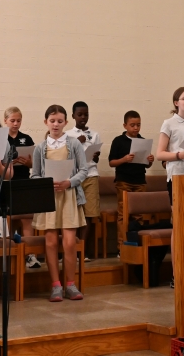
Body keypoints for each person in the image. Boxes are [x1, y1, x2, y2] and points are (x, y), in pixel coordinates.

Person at [30, 105, 88, 302]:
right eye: (52, 121)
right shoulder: (40, 147)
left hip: (69, 196)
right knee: (51, 241)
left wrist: (69, 182)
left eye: (60, 121)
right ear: (45, 122)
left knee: (70, 242)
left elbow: (83, 170)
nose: (56, 124)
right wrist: (46, 183)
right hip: (48, 198)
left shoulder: (74, 144)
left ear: (66, 123)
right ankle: (56, 285)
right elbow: (34, 174)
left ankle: (71, 284)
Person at [108, 111, 155, 252]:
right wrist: (124, 159)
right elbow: (111, 162)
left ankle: (136, 244)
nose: (136, 128)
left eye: (138, 125)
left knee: (139, 215)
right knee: (124, 214)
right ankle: (122, 246)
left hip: (140, 181)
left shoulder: (143, 141)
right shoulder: (118, 141)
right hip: (124, 182)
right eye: (132, 125)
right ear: (125, 125)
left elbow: (146, 165)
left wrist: (150, 161)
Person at [4, 107, 38, 266]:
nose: (16, 123)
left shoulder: (26, 138)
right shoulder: (1, 138)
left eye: (18, 121)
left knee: (27, 218)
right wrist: (7, 164)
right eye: (12, 120)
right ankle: (10, 253)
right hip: (7, 182)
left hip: (23, 181)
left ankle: (30, 255)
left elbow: (34, 163)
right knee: (8, 219)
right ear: (5, 121)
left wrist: (28, 162)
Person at [67, 101, 101, 262]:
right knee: (73, 213)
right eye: (80, 114)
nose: (83, 117)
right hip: (74, 177)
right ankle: (71, 248)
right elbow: (65, 157)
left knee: (89, 213)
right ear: (73, 115)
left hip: (91, 174)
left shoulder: (94, 134)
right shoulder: (68, 135)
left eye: (86, 114)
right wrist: (77, 143)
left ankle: (83, 250)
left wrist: (95, 156)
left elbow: (97, 157)